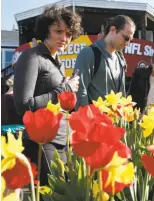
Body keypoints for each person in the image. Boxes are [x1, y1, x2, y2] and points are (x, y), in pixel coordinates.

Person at [13, 5, 83, 186]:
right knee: (51, 194)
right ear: (46, 30)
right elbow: (23, 105)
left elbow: (55, 99)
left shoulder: (55, 61)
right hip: (42, 141)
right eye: (58, 31)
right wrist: (63, 89)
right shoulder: (31, 57)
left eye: (68, 34)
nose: (64, 38)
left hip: (62, 138)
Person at [74, 15, 135, 108]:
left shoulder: (120, 59)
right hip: (93, 120)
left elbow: (122, 96)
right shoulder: (88, 53)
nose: (127, 43)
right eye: (126, 38)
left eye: (130, 40)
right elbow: (80, 91)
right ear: (113, 30)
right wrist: (87, 120)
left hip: (115, 121)